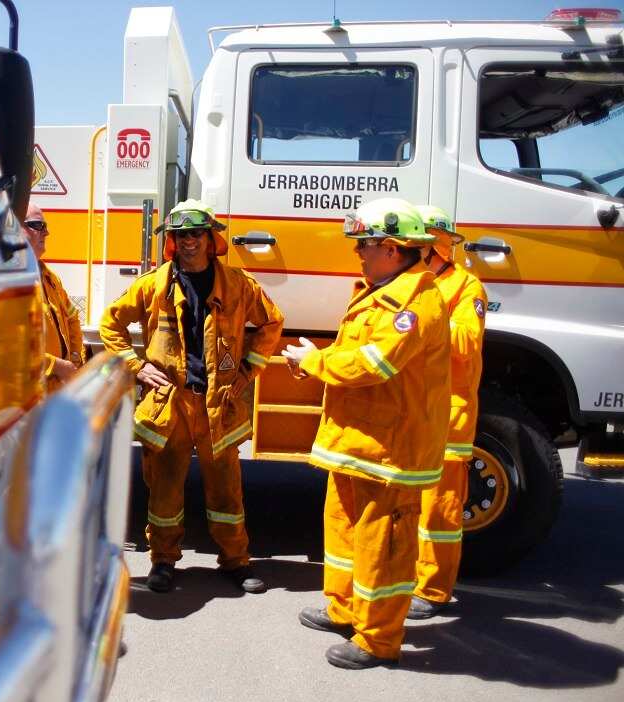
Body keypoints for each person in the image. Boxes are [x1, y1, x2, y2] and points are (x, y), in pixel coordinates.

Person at [281, 198, 450, 669]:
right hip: (358, 443)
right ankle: (345, 609)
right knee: (343, 529)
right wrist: (313, 363)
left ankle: (378, 639)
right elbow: (353, 354)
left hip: (389, 451)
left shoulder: (413, 303)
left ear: (392, 249)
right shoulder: (382, 290)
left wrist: (316, 362)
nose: (357, 253)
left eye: (364, 244)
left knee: (383, 548)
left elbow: (375, 364)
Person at [100, 199, 284, 594]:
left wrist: (248, 371)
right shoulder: (153, 285)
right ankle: (163, 561)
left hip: (219, 403)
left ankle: (236, 561)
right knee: (164, 490)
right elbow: (110, 323)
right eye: (180, 235)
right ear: (172, 240)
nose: (188, 241)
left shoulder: (238, 284)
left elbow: (272, 322)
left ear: (210, 238)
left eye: (196, 233)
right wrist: (136, 366)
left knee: (226, 490)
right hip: (172, 404)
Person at [407, 205, 487, 619]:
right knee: (407, 504)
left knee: (440, 509)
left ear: (432, 247)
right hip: (411, 409)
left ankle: (434, 590)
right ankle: (406, 580)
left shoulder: (466, 287)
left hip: (448, 415)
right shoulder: (410, 283)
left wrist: (422, 319)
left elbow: (466, 341)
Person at [23, 203, 85, 392]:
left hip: (55, 390)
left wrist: (75, 357)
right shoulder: (9, 283)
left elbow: (72, 317)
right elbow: (8, 349)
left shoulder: (50, 277)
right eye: (38, 225)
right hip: (30, 394)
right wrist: (56, 366)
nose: (47, 232)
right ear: (15, 228)